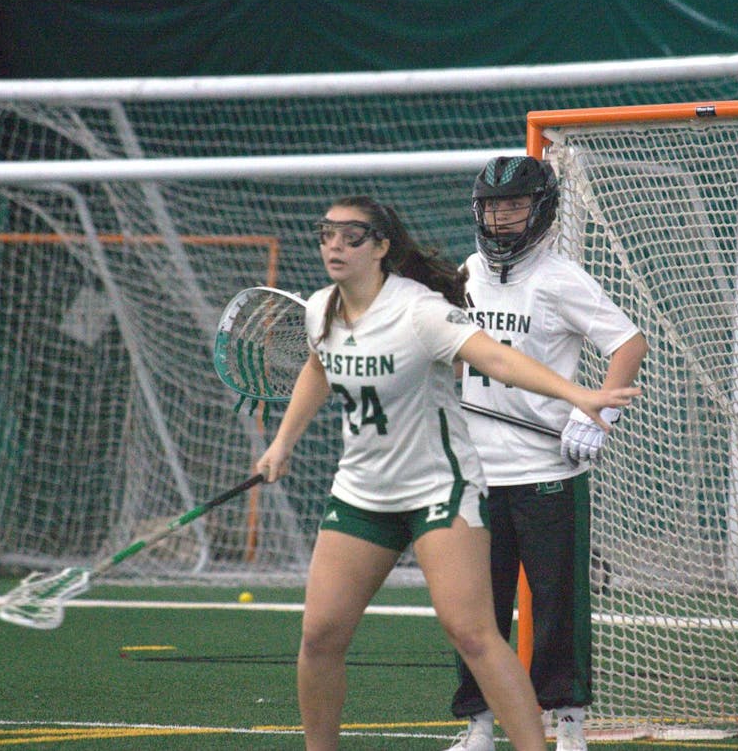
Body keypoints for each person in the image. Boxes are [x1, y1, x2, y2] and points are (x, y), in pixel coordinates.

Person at [253, 195, 639, 751]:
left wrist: (582, 396)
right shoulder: (321, 308)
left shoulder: (420, 310)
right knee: (318, 637)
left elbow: (499, 360)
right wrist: (281, 443)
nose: (334, 246)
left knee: (474, 633)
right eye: (326, 234)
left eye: (351, 236)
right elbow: (318, 365)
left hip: (439, 489)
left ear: (382, 247)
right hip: (361, 493)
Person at [445, 156, 647, 751]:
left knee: (558, 606)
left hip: (546, 472)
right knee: (477, 607)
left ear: (541, 211)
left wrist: (599, 413)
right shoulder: (466, 274)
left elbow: (629, 342)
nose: (500, 218)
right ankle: (480, 725)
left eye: (513, 207)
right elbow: (455, 351)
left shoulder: (561, 278)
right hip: (476, 473)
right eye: (491, 207)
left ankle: (569, 726)